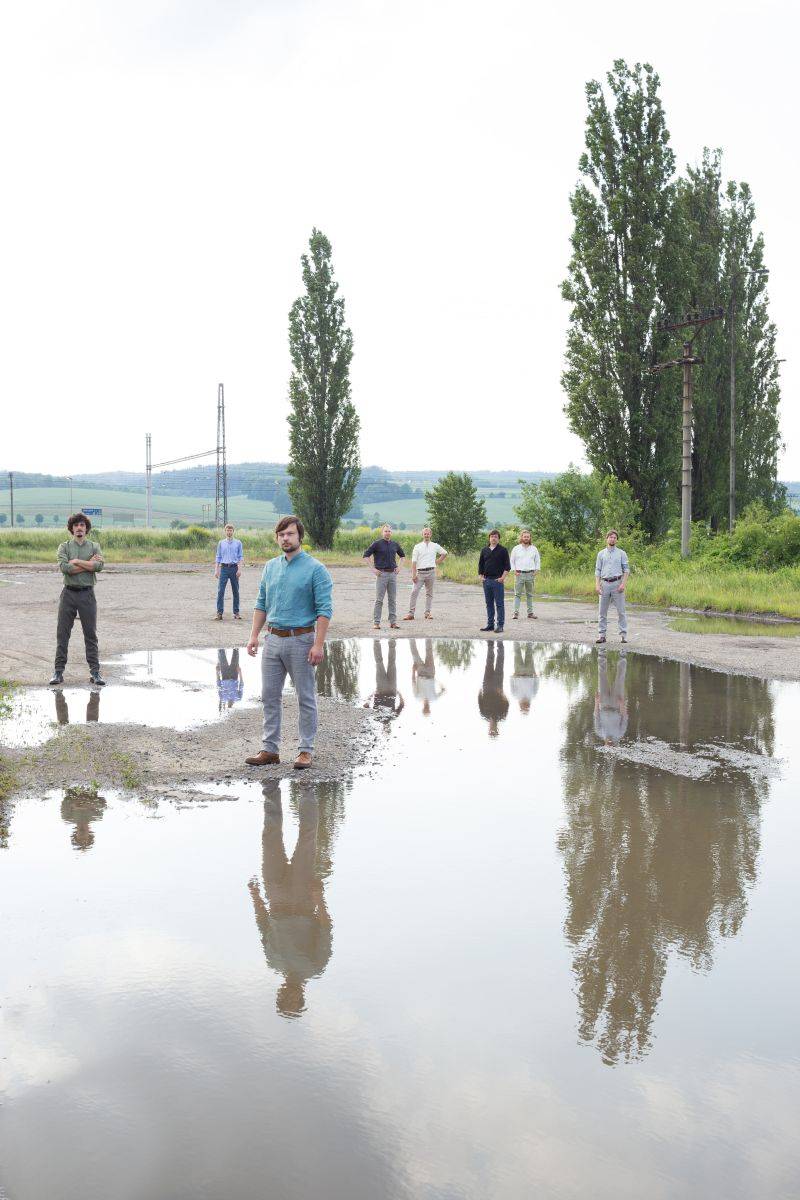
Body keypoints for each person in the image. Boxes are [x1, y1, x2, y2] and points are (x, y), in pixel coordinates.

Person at [245, 515, 333, 771]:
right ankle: (270, 750)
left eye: (290, 534)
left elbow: (324, 610)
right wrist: (253, 635)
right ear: (277, 538)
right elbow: (261, 603)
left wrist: (318, 644)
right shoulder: (270, 567)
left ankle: (305, 751)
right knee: (269, 696)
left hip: (302, 640)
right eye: (281, 534)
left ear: (299, 536)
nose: (285, 538)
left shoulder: (316, 569)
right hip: (273, 639)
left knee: (305, 697)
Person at [248, 780, 332, 1018]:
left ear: (280, 994)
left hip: (274, 897)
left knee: (269, 838)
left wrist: (255, 897)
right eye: (292, 1001)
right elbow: (325, 928)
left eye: (285, 1000)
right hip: (302, 900)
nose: (289, 996)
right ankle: (307, 790)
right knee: (307, 840)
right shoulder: (316, 966)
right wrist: (319, 897)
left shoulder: (273, 962)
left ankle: (270, 789)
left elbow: (263, 926)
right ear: (300, 997)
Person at [50, 513, 105, 687]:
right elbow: (65, 569)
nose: (79, 528)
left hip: (87, 595)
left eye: (82, 525)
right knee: (63, 634)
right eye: (76, 525)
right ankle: (58, 672)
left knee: (90, 635)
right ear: (71, 528)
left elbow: (99, 566)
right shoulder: (64, 547)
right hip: (68, 594)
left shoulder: (94, 546)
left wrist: (78, 561)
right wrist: (87, 564)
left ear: (86, 528)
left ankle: (95, 673)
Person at [363, 524, 405, 629]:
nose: (387, 533)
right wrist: (373, 569)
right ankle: (376, 623)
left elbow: (402, 556)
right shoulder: (377, 544)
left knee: (392, 599)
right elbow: (366, 555)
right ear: (382, 532)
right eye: (385, 531)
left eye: (389, 531)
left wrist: (399, 567)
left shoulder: (395, 544)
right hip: (381, 574)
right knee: (379, 600)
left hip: (392, 575)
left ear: (391, 532)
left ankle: (393, 622)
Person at [403, 526, 447, 620]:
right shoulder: (417, 547)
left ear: (430, 535)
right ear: (422, 535)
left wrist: (436, 562)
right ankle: (411, 614)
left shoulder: (435, 545)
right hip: (420, 573)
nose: (426, 535)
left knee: (429, 593)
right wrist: (413, 575)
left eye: (428, 533)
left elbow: (444, 553)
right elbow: (414, 562)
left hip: (431, 572)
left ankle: (427, 613)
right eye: (425, 533)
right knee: (414, 592)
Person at [595, 529, 630, 644]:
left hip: (617, 584)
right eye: (610, 537)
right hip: (604, 584)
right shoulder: (601, 554)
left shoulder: (621, 553)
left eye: (614, 537)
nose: (612, 539)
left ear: (617, 540)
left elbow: (626, 570)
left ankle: (623, 636)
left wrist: (623, 584)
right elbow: (598, 570)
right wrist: (597, 585)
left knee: (621, 611)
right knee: (602, 612)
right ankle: (602, 635)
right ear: (607, 539)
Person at [478, 530, 511, 634]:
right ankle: (490, 625)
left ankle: (500, 625)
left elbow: (507, 566)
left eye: (496, 537)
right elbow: (481, 565)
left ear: (498, 538)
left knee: (499, 604)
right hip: (486, 580)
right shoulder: (484, 550)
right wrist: (481, 577)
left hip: (498, 581)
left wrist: (502, 578)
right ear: (489, 538)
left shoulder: (503, 550)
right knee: (489, 604)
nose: (493, 538)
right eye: (492, 536)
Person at [594, 648, 628, 745]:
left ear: (604, 745)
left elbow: (596, 716)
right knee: (620, 678)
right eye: (612, 746)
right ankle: (623, 653)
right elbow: (624, 717)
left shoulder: (599, 732)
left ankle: (602, 651)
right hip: (616, 705)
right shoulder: (620, 733)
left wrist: (596, 702)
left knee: (601, 676)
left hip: (603, 703)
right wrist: (622, 704)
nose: (609, 745)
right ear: (614, 745)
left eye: (607, 746)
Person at [364, 640, 404, 722]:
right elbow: (401, 705)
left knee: (379, 663)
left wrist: (371, 696)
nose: (386, 728)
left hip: (381, 690)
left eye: (385, 731)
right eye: (388, 730)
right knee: (392, 663)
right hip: (392, 689)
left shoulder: (376, 718)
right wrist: (399, 693)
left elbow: (366, 706)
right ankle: (392, 641)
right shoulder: (393, 717)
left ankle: (376, 641)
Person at [477, 641, 509, 737]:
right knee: (500, 662)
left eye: (491, 729)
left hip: (486, 687)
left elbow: (480, 701)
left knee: (489, 663)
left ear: (489, 728)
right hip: (498, 687)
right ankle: (500, 644)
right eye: (493, 729)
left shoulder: (484, 714)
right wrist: (502, 695)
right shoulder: (502, 715)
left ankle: (490, 644)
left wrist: (480, 692)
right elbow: (507, 703)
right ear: (496, 728)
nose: (492, 728)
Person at [215, 522, 243, 620]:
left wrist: (239, 569)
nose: (229, 532)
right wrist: (216, 570)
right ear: (225, 531)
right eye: (227, 530)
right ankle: (219, 613)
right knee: (220, 591)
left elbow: (240, 557)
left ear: (233, 531)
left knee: (235, 591)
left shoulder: (238, 543)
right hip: (224, 568)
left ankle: (236, 612)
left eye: (230, 530)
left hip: (234, 568)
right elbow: (218, 557)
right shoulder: (221, 543)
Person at [510, 528, 540, 620]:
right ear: (521, 537)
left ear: (530, 538)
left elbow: (537, 560)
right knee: (517, 594)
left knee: (529, 594)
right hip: (519, 574)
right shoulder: (516, 548)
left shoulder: (534, 549)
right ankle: (515, 613)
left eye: (528, 537)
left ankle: (530, 613)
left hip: (530, 574)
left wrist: (536, 570)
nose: (526, 538)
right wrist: (514, 570)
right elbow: (512, 560)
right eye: (524, 536)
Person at [409, 638, 444, 716]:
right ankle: (428, 635)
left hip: (420, 672)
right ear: (430, 709)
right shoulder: (434, 698)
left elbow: (413, 683)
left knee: (414, 653)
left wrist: (413, 671)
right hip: (431, 673)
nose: (426, 708)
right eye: (427, 710)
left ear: (423, 709)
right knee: (429, 651)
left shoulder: (417, 698)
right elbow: (444, 690)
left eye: (425, 710)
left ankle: (411, 638)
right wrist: (436, 681)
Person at [510, 643, 539, 715]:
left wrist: (513, 676)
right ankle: (529, 639)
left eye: (524, 708)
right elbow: (536, 685)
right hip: (529, 672)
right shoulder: (532, 696)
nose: (525, 707)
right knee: (529, 653)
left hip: (519, 673)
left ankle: (515, 638)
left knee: (517, 653)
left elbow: (512, 685)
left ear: (521, 707)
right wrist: (536, 675)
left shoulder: (515, 696)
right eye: (527, 709)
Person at [216, 648, 244, 712]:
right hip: (234, 676)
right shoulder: (238, 698)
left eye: (228, 706)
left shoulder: (222, 697)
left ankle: (221, 645)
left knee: (221, 653)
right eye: (230, 706)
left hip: (224, 676)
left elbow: (218, 685)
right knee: (236, 654)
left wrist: (217, 672)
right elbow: (241, 686)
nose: (229, 705)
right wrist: (240, 672)